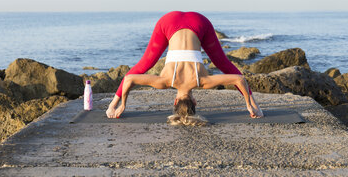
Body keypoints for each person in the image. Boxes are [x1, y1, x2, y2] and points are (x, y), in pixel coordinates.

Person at [106, 11, 263, 124]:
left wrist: (251, 106)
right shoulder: (164, 82)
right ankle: (111, 105)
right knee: (145, 64)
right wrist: (120, 106)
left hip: (199, 22)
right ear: (175, 101)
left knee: (224, 64)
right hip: (168, 22)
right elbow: (129, 79)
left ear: (195, 101)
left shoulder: (203, 81)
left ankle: (257, 107)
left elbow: (239, 79)